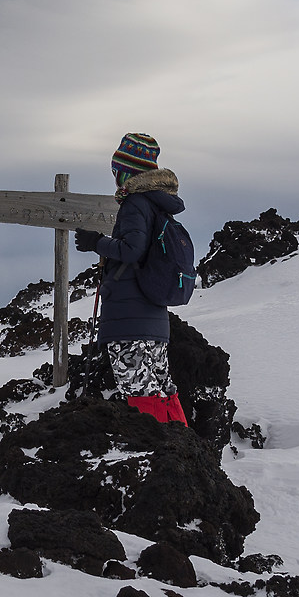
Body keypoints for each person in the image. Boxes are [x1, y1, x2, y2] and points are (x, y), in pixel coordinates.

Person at [72, 132, 190, 423]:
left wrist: (96, 242)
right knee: (162, 388)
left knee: (139, 391)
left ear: (127, 172)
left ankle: (158, 453)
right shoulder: (157, 204)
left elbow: (132, 250)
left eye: (116, 171)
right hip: (152, 313)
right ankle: (181, 444)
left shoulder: (136, 204)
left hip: (130, 316)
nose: (114, 178)